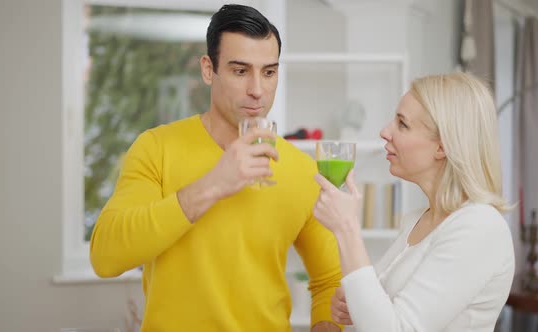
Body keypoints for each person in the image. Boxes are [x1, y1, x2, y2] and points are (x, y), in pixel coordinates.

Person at [89, 4, 342, 332]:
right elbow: (105, 258)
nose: (258, 89)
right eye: (240, 71)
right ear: (209, 70)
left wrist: (326, 325)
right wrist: (212, 186)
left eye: (269, 72)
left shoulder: (301, 170)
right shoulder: (156, 148)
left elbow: (329, 281)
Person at [313, 72, 515, 331]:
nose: (385, 132)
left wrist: (346, 228)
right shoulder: (418, 220)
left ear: (442, 147)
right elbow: (387, 314)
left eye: (402, 124)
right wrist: (359, 301)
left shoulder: (479, 227)